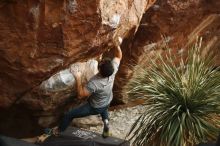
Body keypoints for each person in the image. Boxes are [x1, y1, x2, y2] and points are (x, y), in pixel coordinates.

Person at [48, 37, 123, 138]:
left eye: (101, 63)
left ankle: (58, 131)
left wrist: (78, 77)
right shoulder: (112, 71)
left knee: (69, 115)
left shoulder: (95, 83)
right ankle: (106, 128)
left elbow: (80, 95)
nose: (101, 60)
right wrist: (117, 45)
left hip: (95, 106)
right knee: (104, 111)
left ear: (100, 71)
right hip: (107, 100)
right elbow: (118, 56)